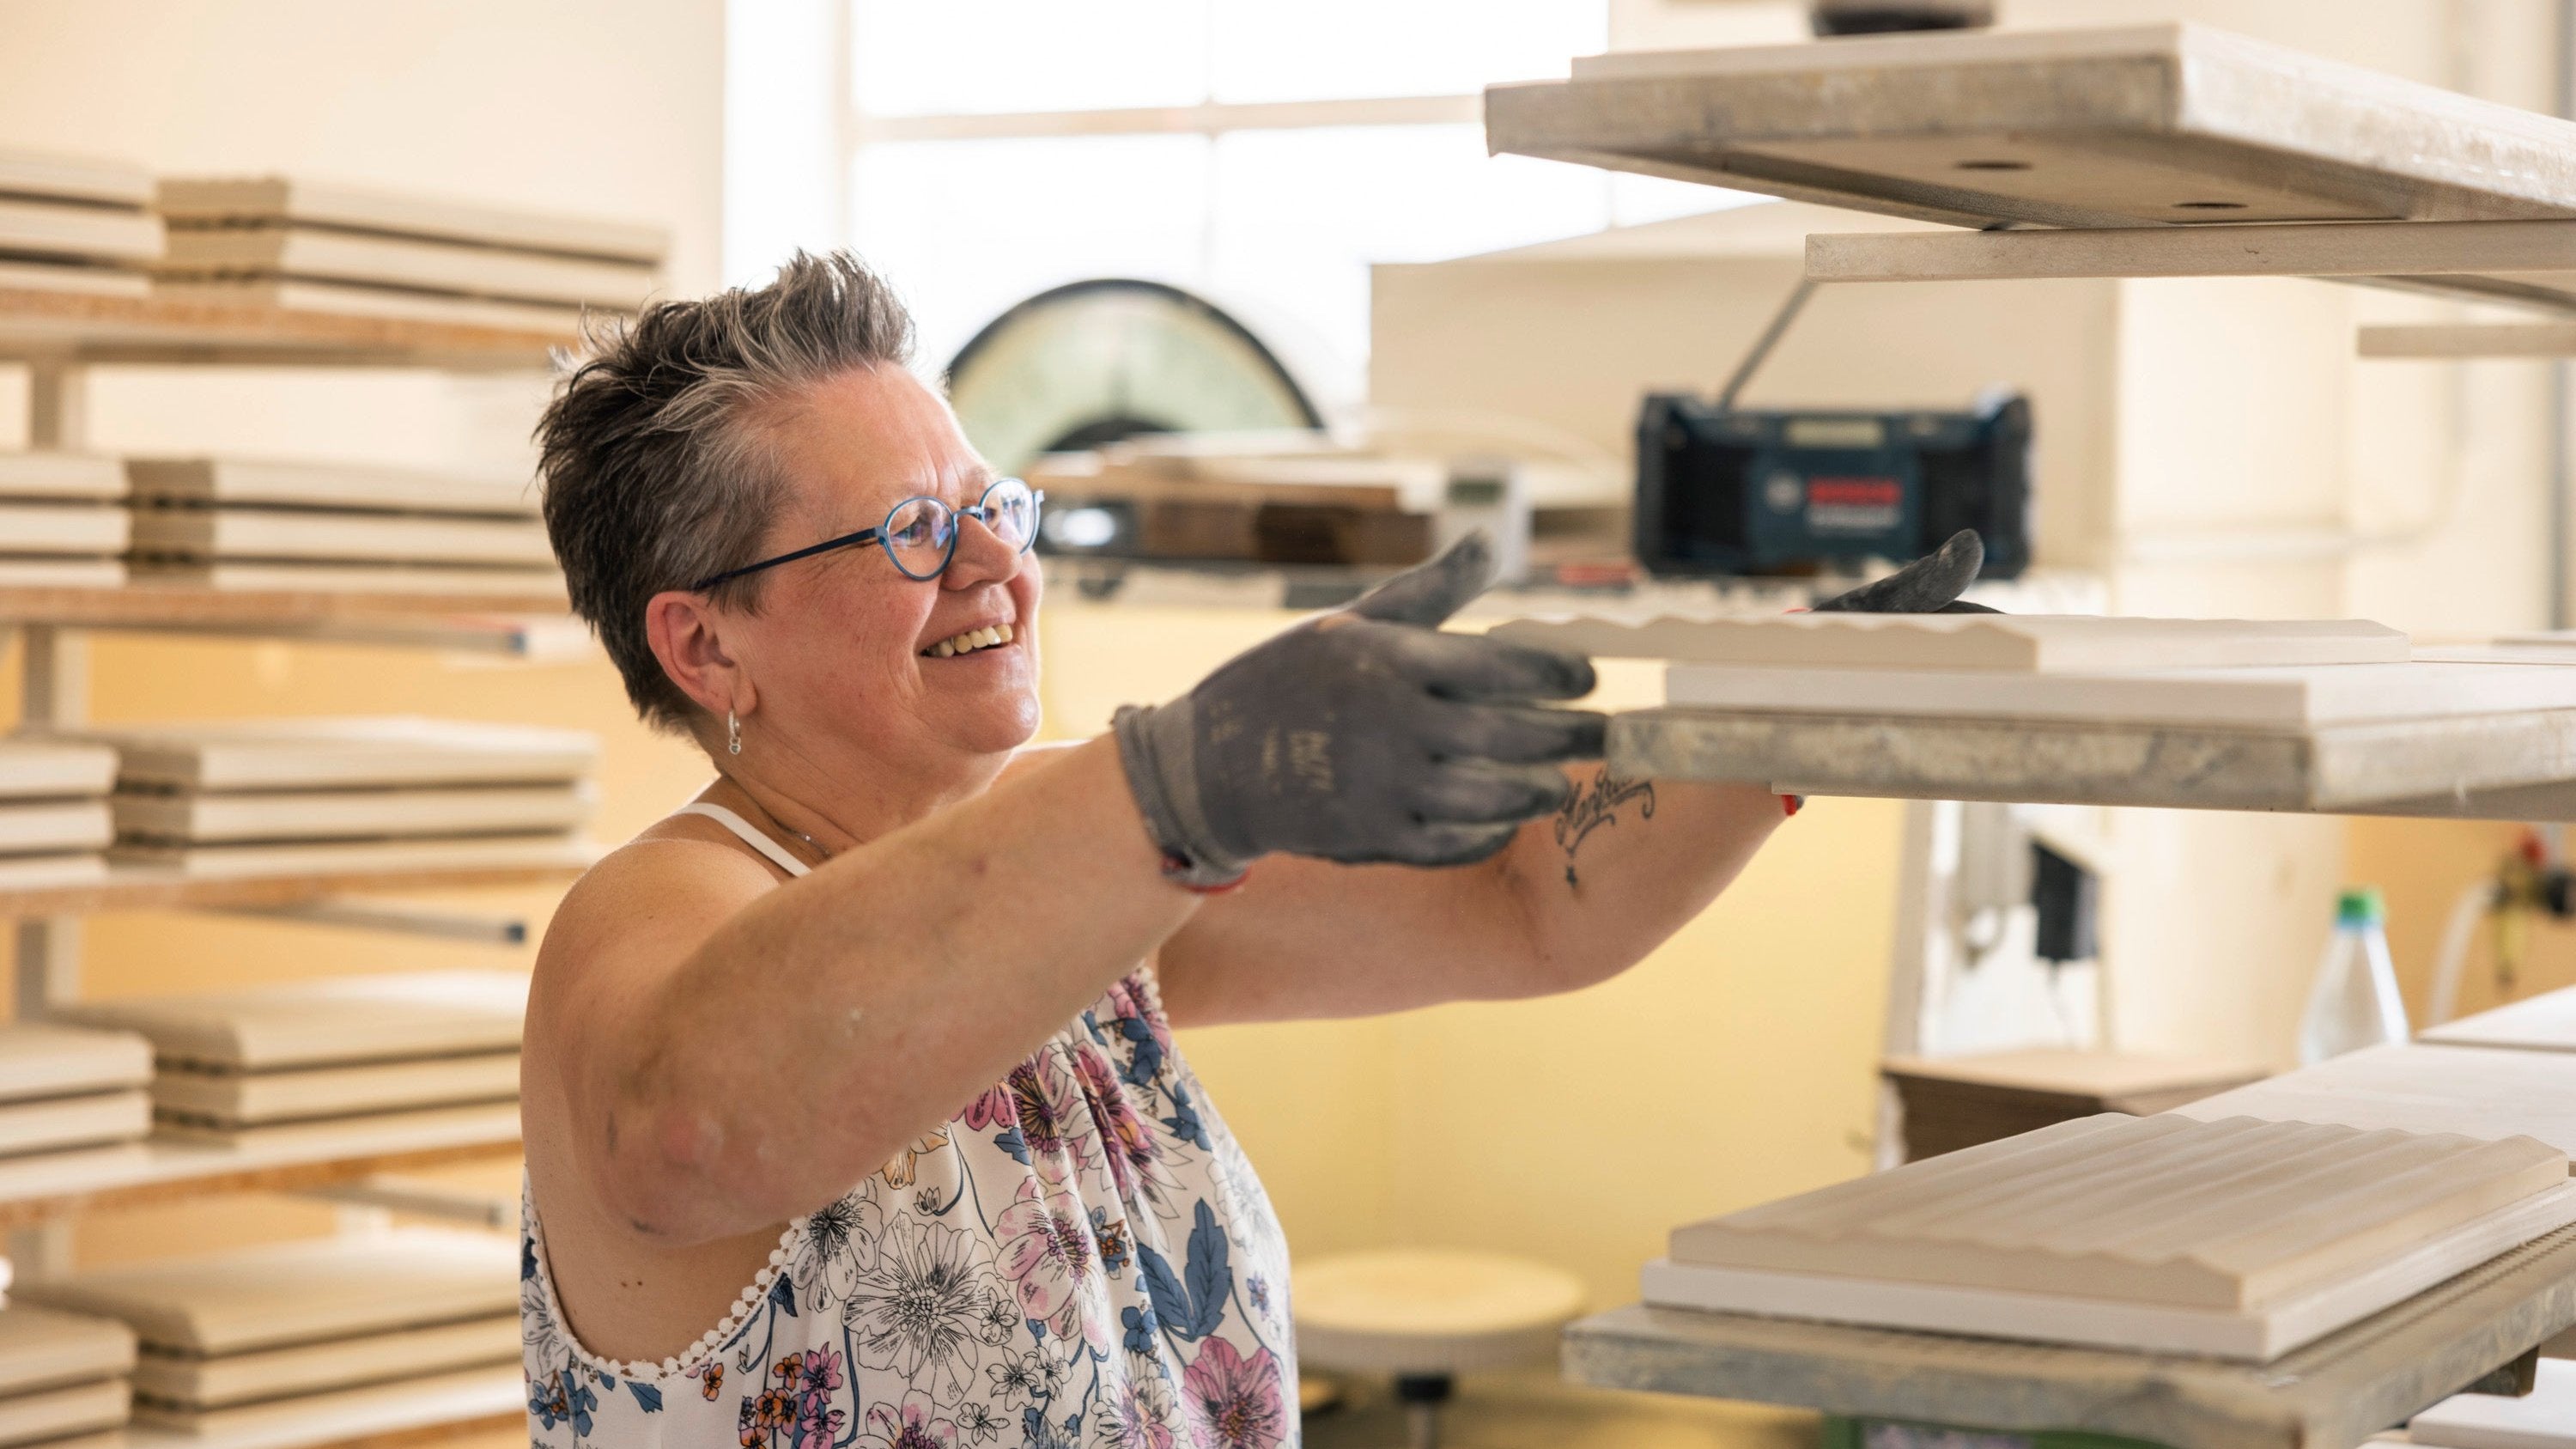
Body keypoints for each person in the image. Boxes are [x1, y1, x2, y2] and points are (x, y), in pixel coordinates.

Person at [516, 253, 1988, 1449]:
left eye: (993, 507)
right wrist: (1180, 785)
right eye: (910, 531)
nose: (994, 568)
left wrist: (1774, 724)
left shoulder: (1077, 862)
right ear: (705, 643)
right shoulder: (657, 913)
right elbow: (692, 1128)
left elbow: (1526, 896)